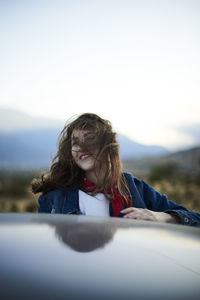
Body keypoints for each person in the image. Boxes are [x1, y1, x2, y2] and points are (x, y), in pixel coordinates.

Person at [32, 113, 200, 226]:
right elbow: (46, 250)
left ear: (106, 145)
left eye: (89, 139)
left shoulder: (134, 187)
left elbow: (194, 220)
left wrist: (161, 216)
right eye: (75, 142)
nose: (81, 147)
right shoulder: (54, 197)